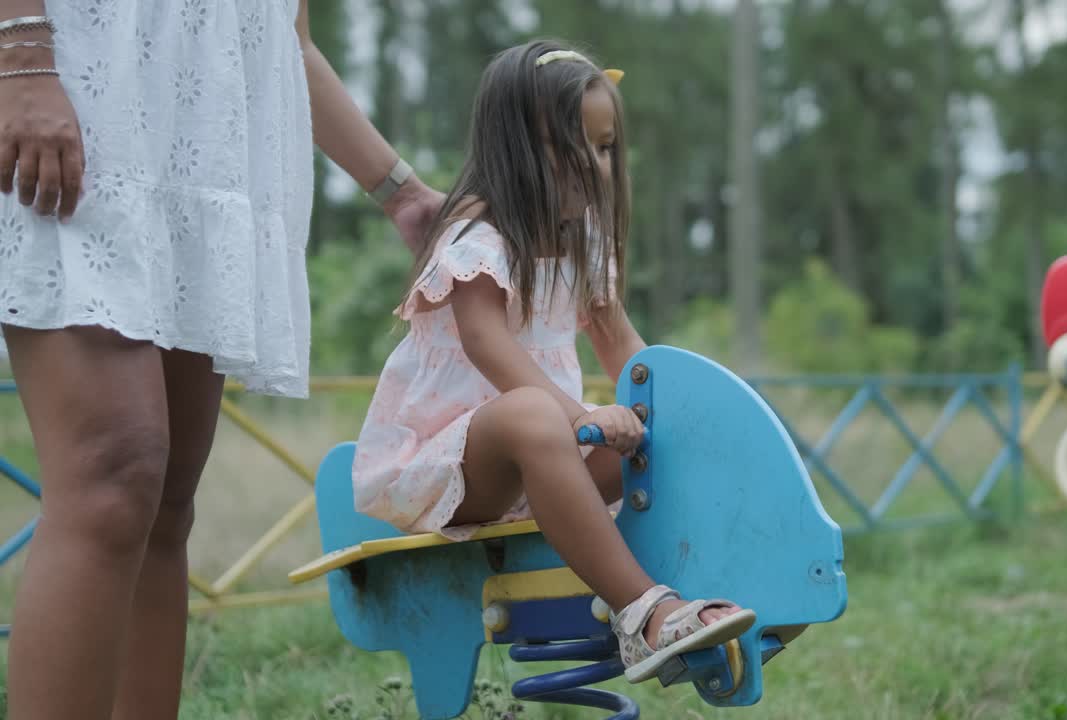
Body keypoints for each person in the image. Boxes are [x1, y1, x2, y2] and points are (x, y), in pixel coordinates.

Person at [0, 2, 443, 718]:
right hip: (81, 92)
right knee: (115, 469)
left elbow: (282, 39)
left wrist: (402, 193)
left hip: (209, 144)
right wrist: (19, 50)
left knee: (167, 500)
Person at [351, 39, 755, 684]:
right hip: (449, 466)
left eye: (604, 148)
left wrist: (689, 409)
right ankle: (645, 616)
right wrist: (581, 414)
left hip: (550, 457)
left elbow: (623, 344)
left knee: (663, 434)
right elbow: (488, 343)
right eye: (574, 150)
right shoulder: (476, 238)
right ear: (516, 148)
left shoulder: (584, 242)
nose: (596, 166)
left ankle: (724, 581)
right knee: (535, 414)